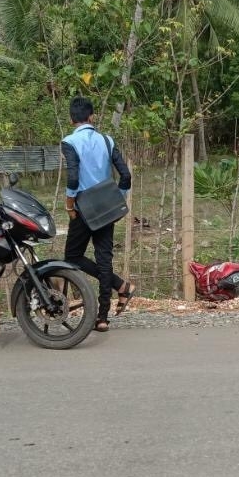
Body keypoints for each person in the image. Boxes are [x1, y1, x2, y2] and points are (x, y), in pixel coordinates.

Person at [62, 96, 134, 332]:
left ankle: (120, 286)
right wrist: (117, 198)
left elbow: (73, 177)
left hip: (84, 207)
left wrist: (70, 204)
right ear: (91, 116)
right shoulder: (107, 140)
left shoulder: (70, 141)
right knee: (104, 258)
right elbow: (125, 176)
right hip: (107, 206)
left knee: (73, 255)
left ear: (72, 118)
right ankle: (103, 317)